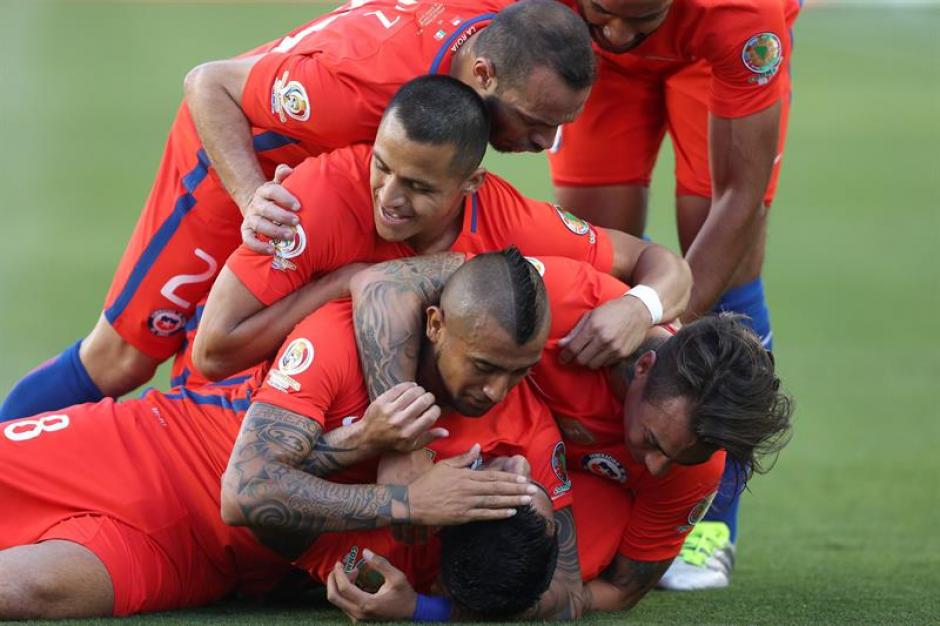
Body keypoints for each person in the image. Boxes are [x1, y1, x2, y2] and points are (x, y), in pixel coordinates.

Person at [0, 0, 597, 421]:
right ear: (483, 74)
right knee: (122, 359)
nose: (544, 143)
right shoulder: (361, 90)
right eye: (534, 120)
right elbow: (210, 84)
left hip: (334, 187)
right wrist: (250, 197)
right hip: (243, 168)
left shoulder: (501, 30)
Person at [0, 252, 574, 619]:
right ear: (435, 326)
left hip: (184, 562)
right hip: (144, 453)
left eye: (512, 488)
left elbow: (561, 594)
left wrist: (421, 608)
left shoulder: (397, 567)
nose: (497, 391)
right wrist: (393, 482)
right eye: (485, 367)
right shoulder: (347, 338)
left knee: (26, 594)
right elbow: (245, 490)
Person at [346, 252, 794, 612]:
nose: (658, 469)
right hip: (453, 430)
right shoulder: (566, 303)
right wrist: (402, 444)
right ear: (643, 367)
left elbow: (617, 591)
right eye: (653, 442)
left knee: (544, 562)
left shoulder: (698, 465)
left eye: (680, 458)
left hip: (567, 495)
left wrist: (425, 611)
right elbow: (382, 283)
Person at [186, 75, 689, 387]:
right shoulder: (314, 199)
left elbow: (660, 264)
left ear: (471, 183)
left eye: (418, 186)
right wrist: (343, 284)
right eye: (382, 167)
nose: (388, 197)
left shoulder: (509, 220)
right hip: (271, 411)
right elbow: (212, 352)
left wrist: (638, 307)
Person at [547, 0, 801, 589]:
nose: (618, 33)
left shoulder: (742, 12)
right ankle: (605, 487)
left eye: (641, 20)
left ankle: (710, 522)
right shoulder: (594, 28)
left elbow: (739, 195)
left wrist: (661, 319)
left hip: (712, 58)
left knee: (727, 272)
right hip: (589, 59)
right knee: (595, 260)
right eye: (604, 10)